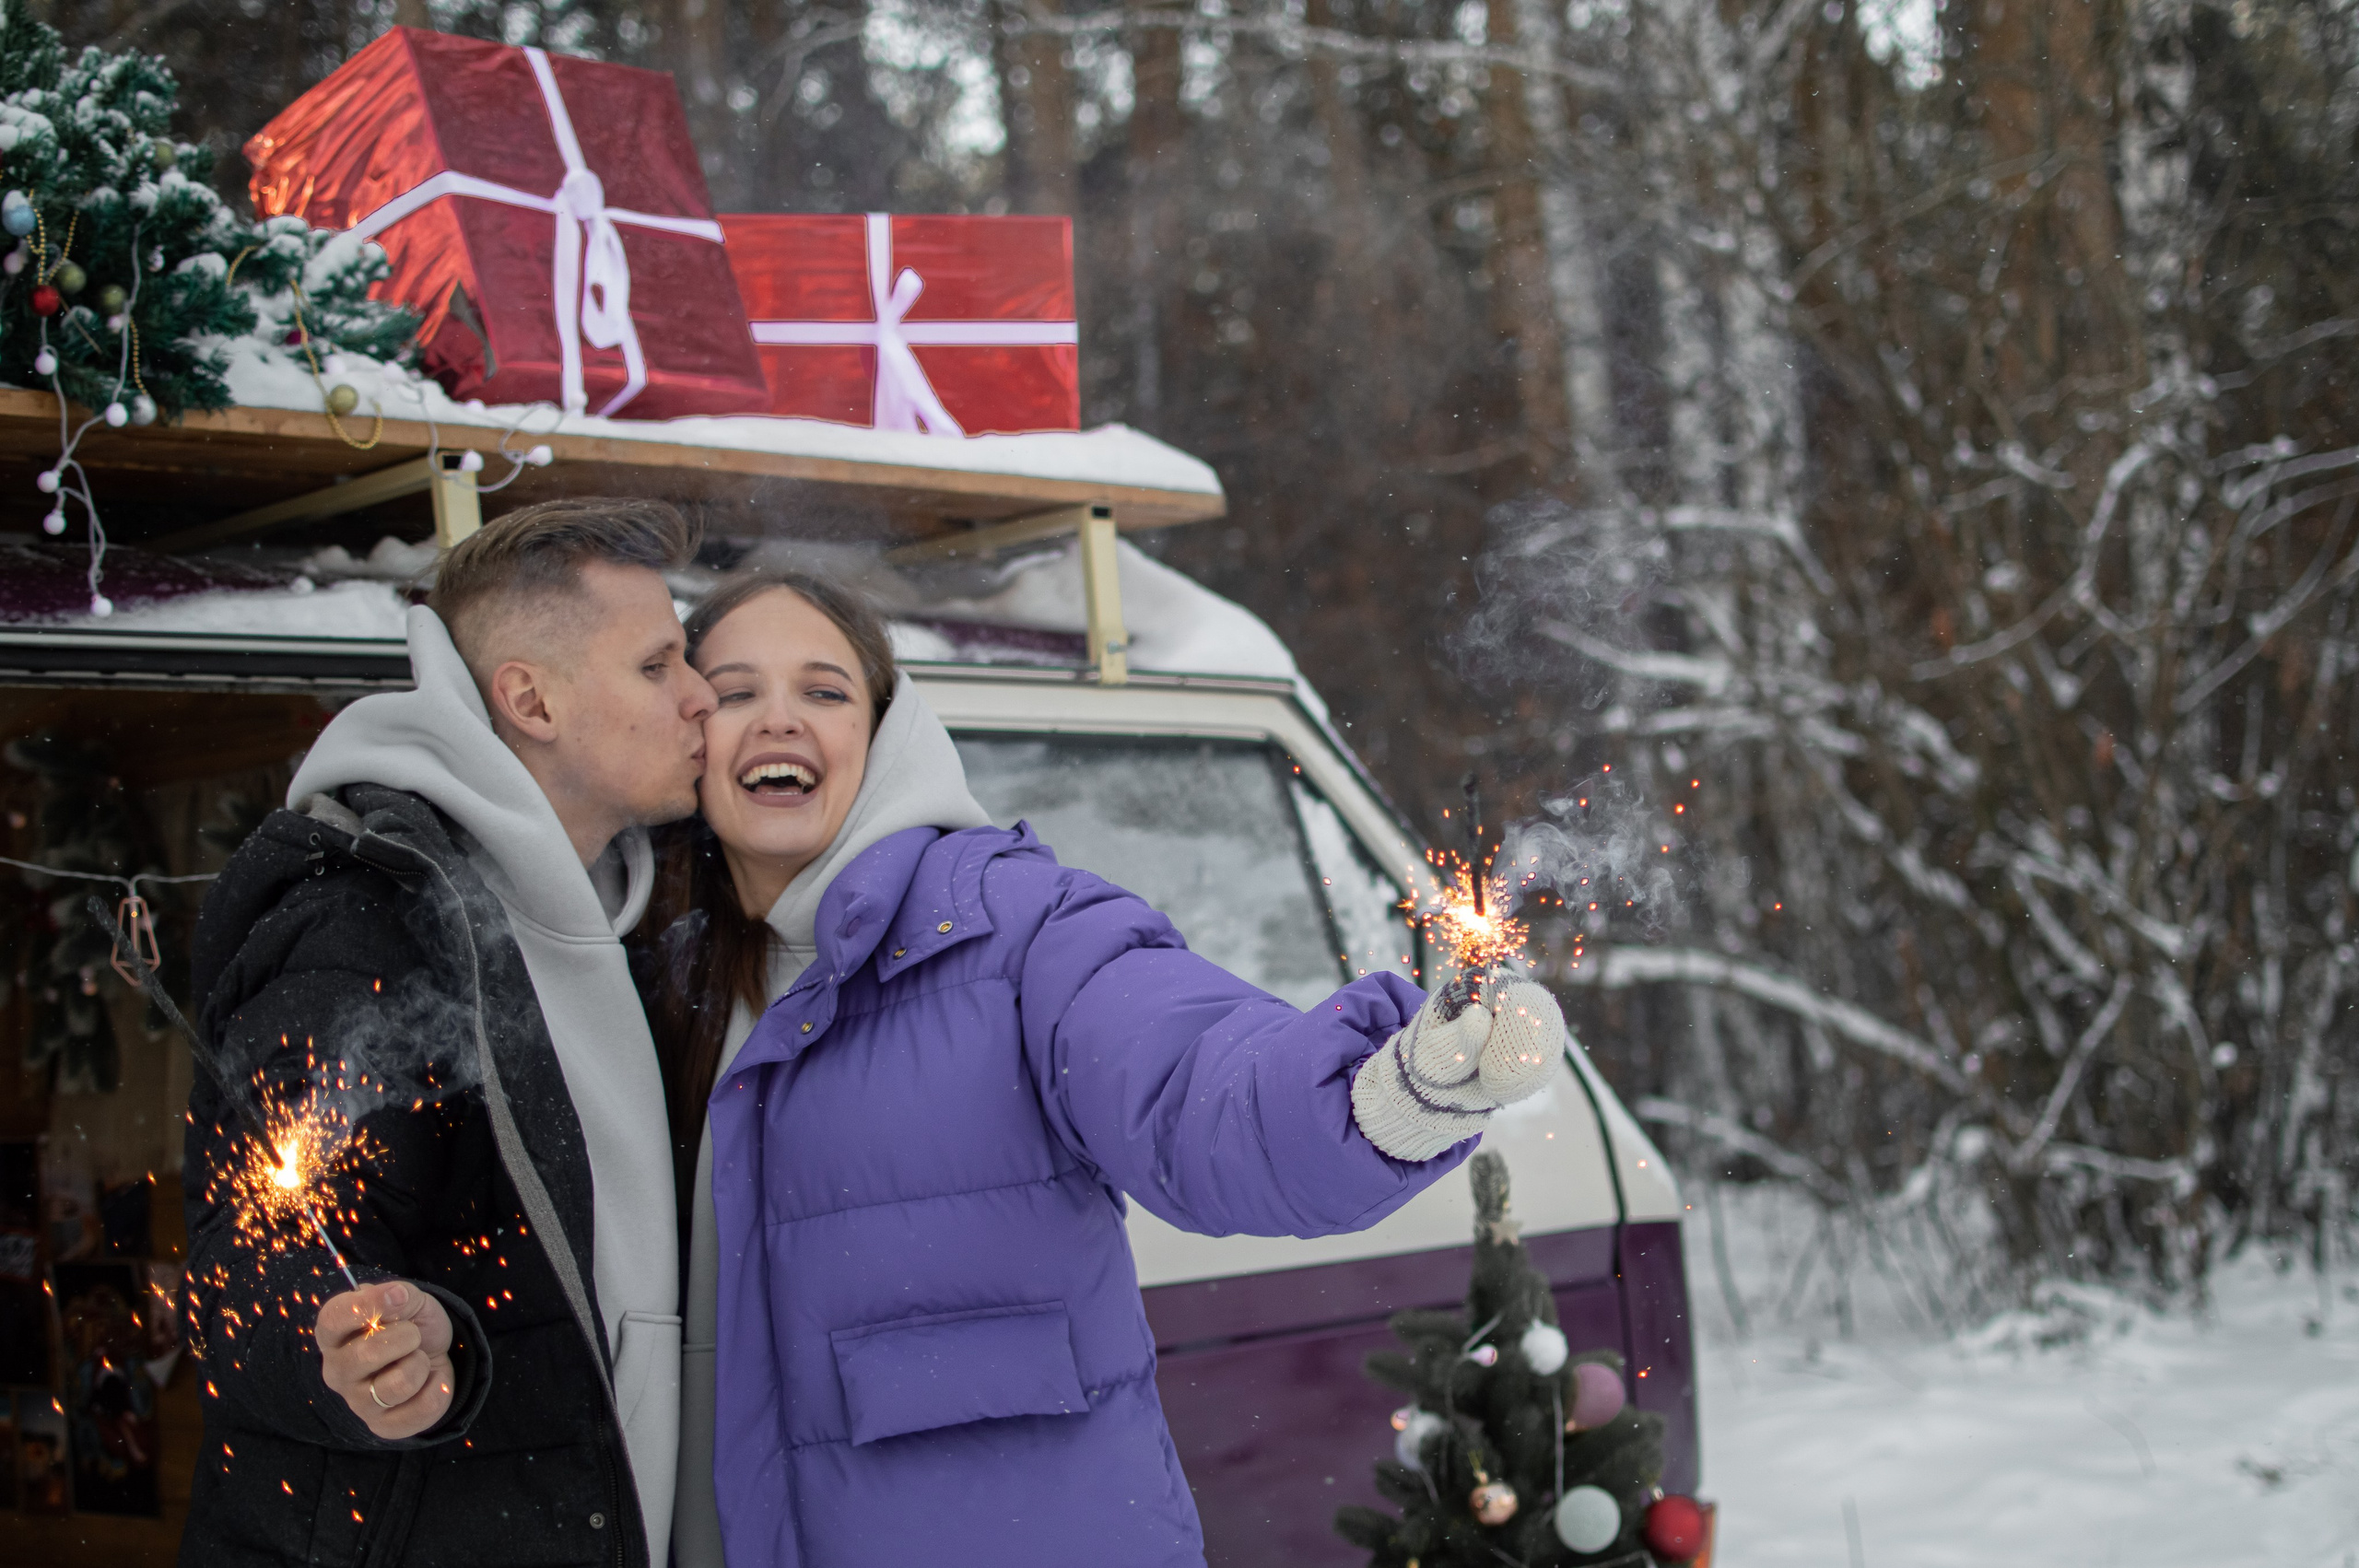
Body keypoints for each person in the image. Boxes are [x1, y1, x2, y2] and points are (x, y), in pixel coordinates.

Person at [634, 568, 1567, 1568]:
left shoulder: (1017, 928)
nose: (779, 721)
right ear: (685, 724)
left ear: (888, 731)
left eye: (824, 691)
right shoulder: (639, 966)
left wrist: (1392, 1090)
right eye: (735, 691)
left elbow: (1190, 1080)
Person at [179, 499, 715, 1567]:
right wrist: (353, 1346)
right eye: (657, 666)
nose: (700, 696)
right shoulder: (367, 915)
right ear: (531, 698)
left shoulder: (645, 921)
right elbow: (264, 1239)